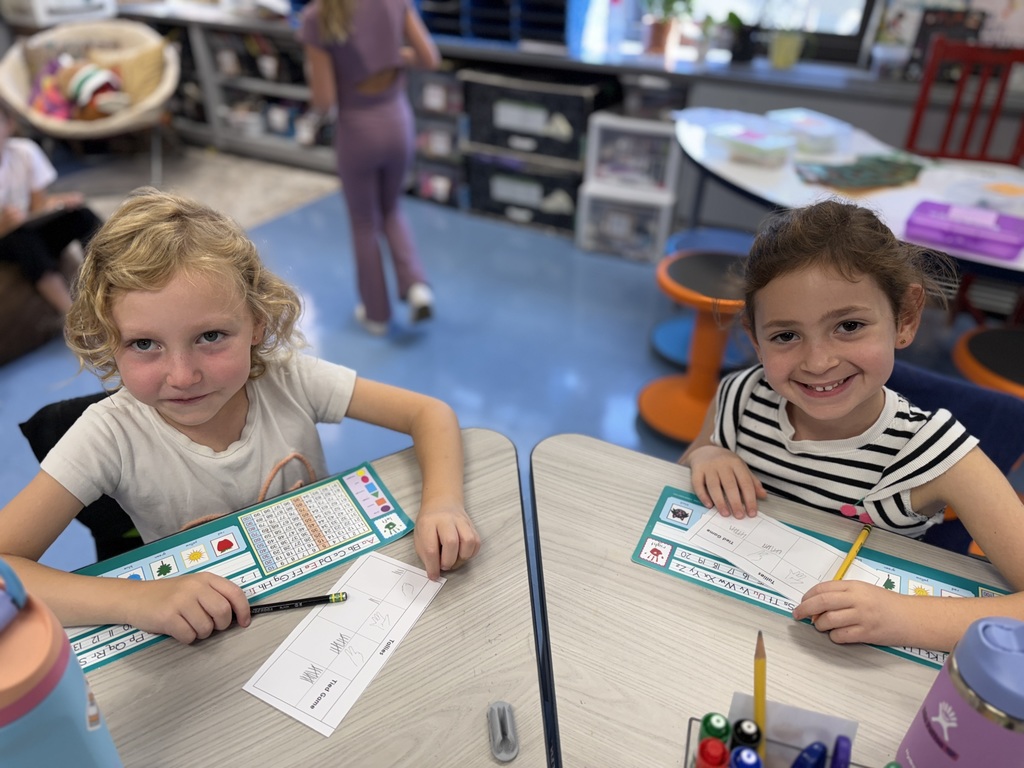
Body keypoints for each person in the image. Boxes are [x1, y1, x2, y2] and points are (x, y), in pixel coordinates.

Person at [0, 188, 479, 644]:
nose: (183, 376)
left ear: (257, 324)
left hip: (329, 596)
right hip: (208, 634)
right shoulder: (109, 436)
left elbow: (428, 413)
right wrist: (134, 599)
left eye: (210, 336)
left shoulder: (288, 379)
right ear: (109, 342)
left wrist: (442, 502)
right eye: (144, 344)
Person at [679, 199, 1024, 653]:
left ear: (905, 319)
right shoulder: (741, 396)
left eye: (849, 325)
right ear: (754, 338)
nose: (818, 362)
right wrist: (708, 455)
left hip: (854, 665)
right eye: (786, 336)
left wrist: (901, 617)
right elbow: (692, 459)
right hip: (722, 630)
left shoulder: (937, 454)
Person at [299, 0, 439, 336]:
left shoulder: (318, 17)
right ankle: (416, 285)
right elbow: (429, 59)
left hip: (358, 131)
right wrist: (394, 57)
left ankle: (377, 315)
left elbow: (325, 99)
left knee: (364, 222)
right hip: (398, 123)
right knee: (392, 209)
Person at [0, 102, 102, 314]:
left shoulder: (24, 152)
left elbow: (37, 207)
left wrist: (59, 204)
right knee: (23, 239)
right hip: (9, 239)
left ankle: (107, 289)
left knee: (81, 215)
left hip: (27, 226)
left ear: (9, 124)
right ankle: (73, 315)